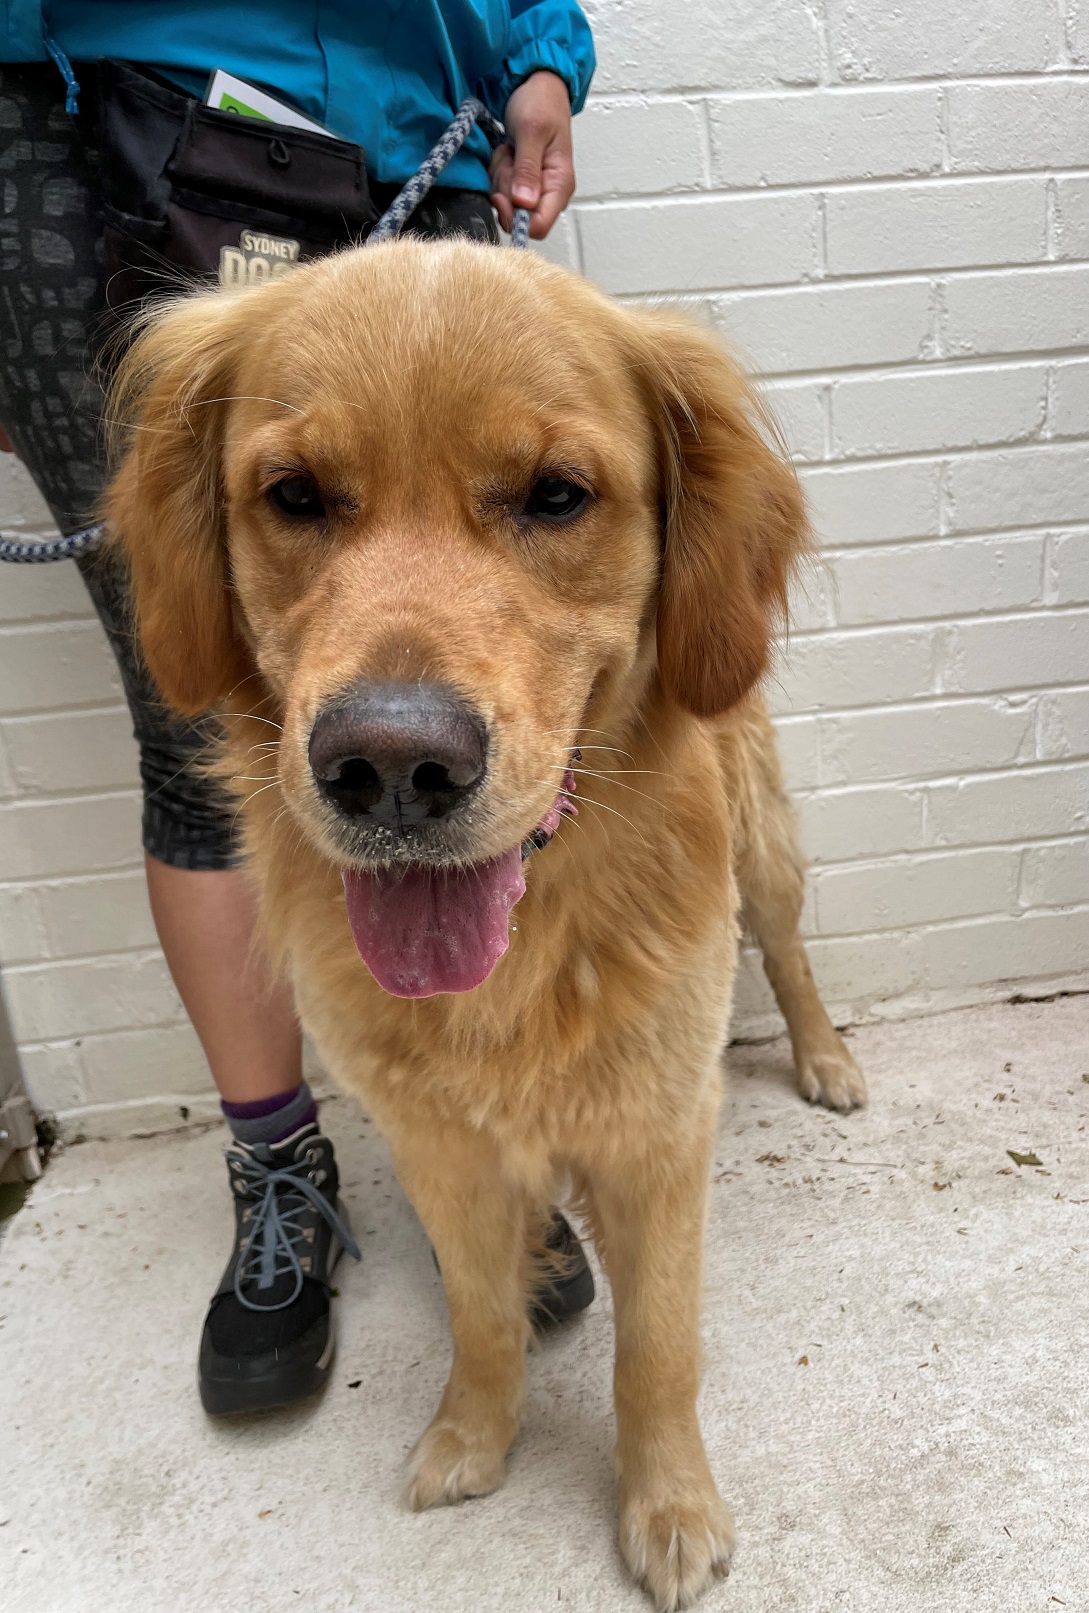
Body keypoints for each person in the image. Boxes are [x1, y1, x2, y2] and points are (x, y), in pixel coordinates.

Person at [0, 1, 596, 1413]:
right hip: (93, 130)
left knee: (497, 716)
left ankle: (479, 1152)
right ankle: (279, 1160)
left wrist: (541, 55)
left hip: (416, 123)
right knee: (199, 716)